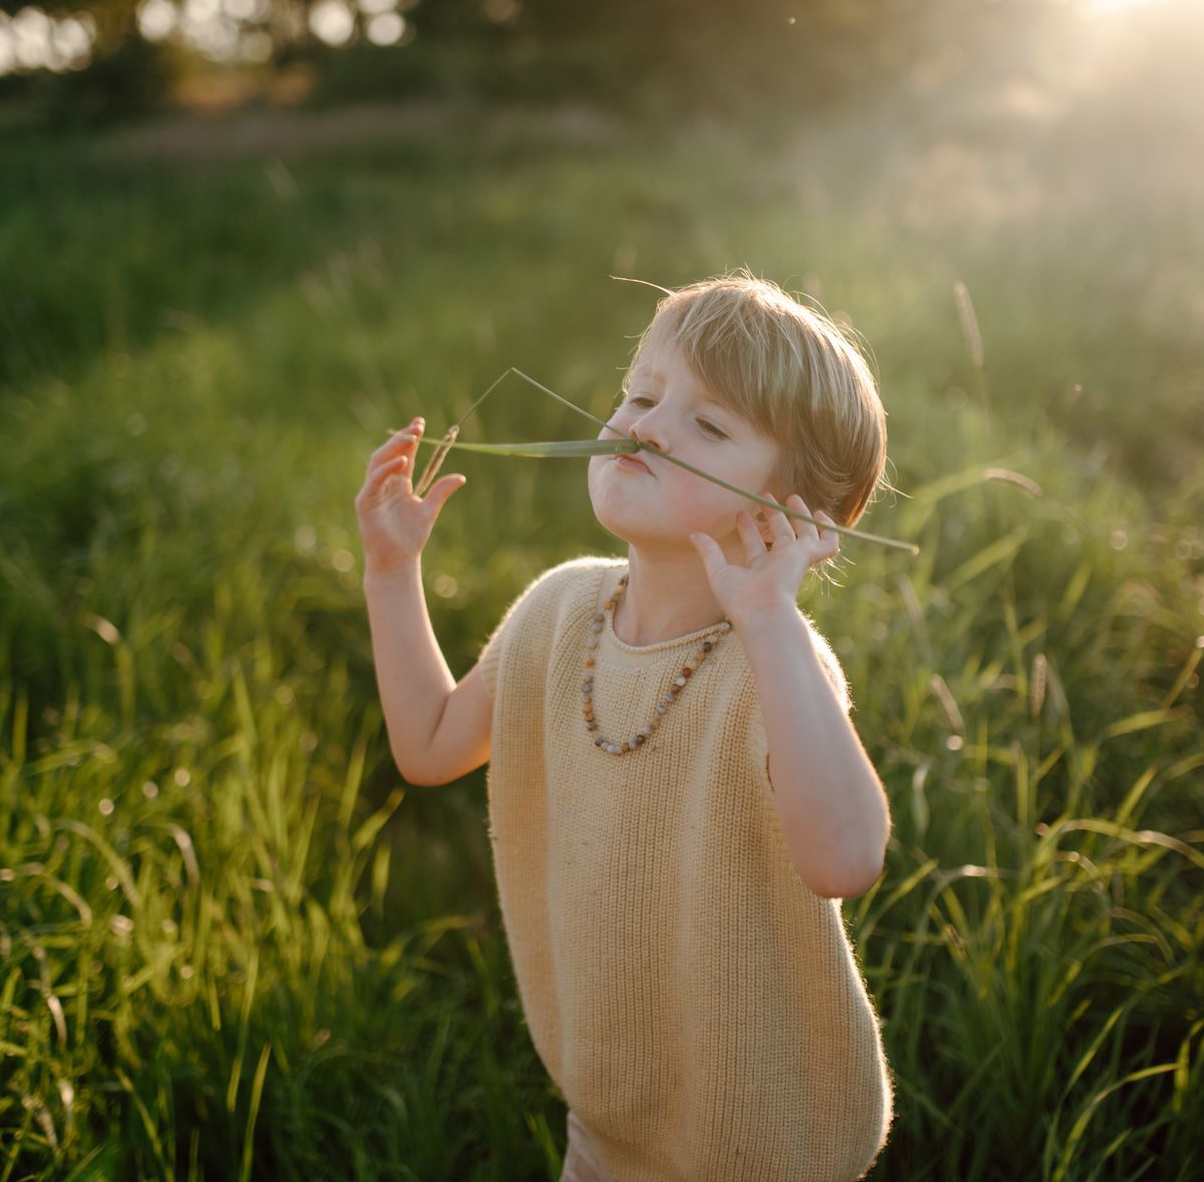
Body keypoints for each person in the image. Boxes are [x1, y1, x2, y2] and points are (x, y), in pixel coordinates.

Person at [355, 271, 896, 1181]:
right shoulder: (558, 613)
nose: (645, 426)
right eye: (642, 394)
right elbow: (431, 744)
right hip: (607, 1125)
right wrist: (389, 574)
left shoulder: (773, 670)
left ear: (790, 517)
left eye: (708, 425)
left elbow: (846, 860)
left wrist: (771, 622)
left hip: (764, 1141)